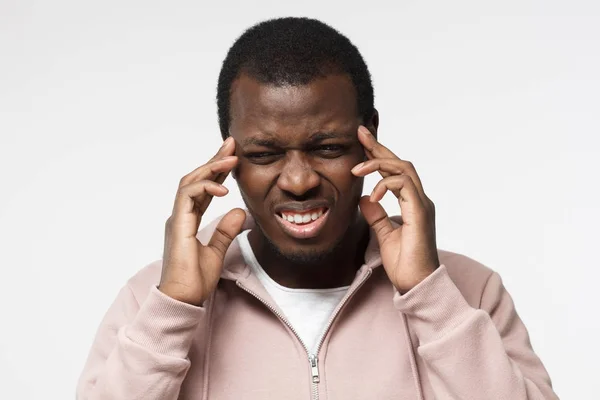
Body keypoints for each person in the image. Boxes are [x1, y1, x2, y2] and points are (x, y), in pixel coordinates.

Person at [76, 17, 558, 400]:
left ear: (369, 138)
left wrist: (429, 295)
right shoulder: (151, 301)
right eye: (264, 154)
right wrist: (175, 308)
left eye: (327, 147)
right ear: (228, 153)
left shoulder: (469, 291)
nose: (299, 180)